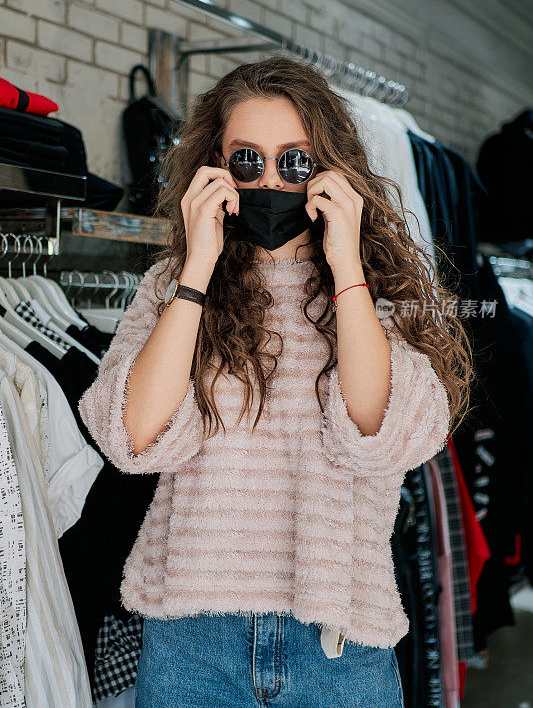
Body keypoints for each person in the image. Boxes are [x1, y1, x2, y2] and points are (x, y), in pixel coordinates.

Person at [78, 55, 473, 708]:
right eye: (245, 160)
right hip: (190, 643)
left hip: (337, 647)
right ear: (214, 166)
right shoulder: (169, 287)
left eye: (293, 160)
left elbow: (380, 435)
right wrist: (197, 267)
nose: (268, 179)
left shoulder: (383, 295)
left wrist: (346, 264)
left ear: (327, 169)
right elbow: (131, 439)